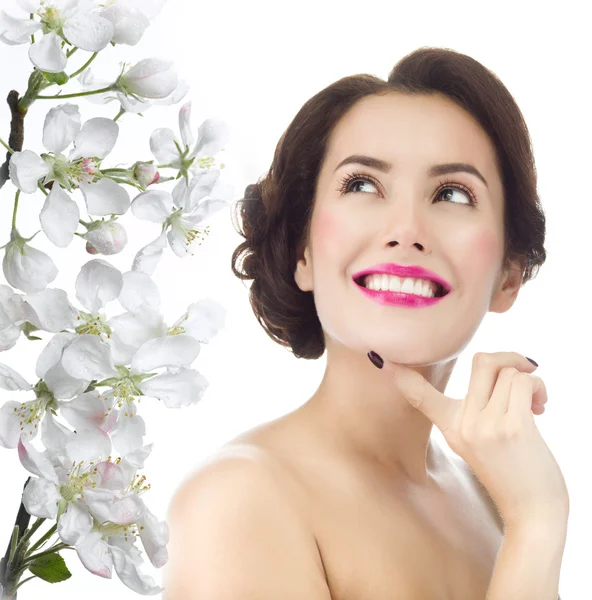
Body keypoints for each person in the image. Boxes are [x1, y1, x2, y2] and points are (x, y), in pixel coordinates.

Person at [163, 46, 567, 599]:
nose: (405, 229)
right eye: (362, 185)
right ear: (303, 251)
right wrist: (538, 522)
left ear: (510, 274)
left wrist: (533, 520)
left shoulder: (493, 496)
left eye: (452, 193)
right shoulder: (239, 498)